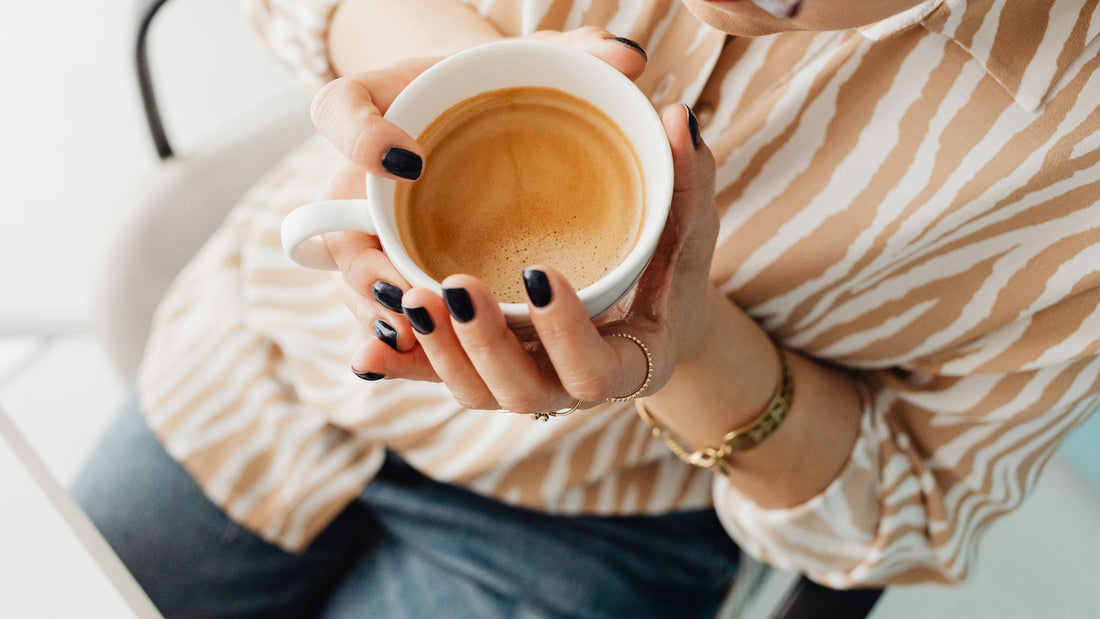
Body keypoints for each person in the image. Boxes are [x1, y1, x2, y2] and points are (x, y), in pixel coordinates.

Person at [75, 0, 1100, 616]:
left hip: (595, 528)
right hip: (272, 360)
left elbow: (910, 511)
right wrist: (446, 80)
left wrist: (693, 350)